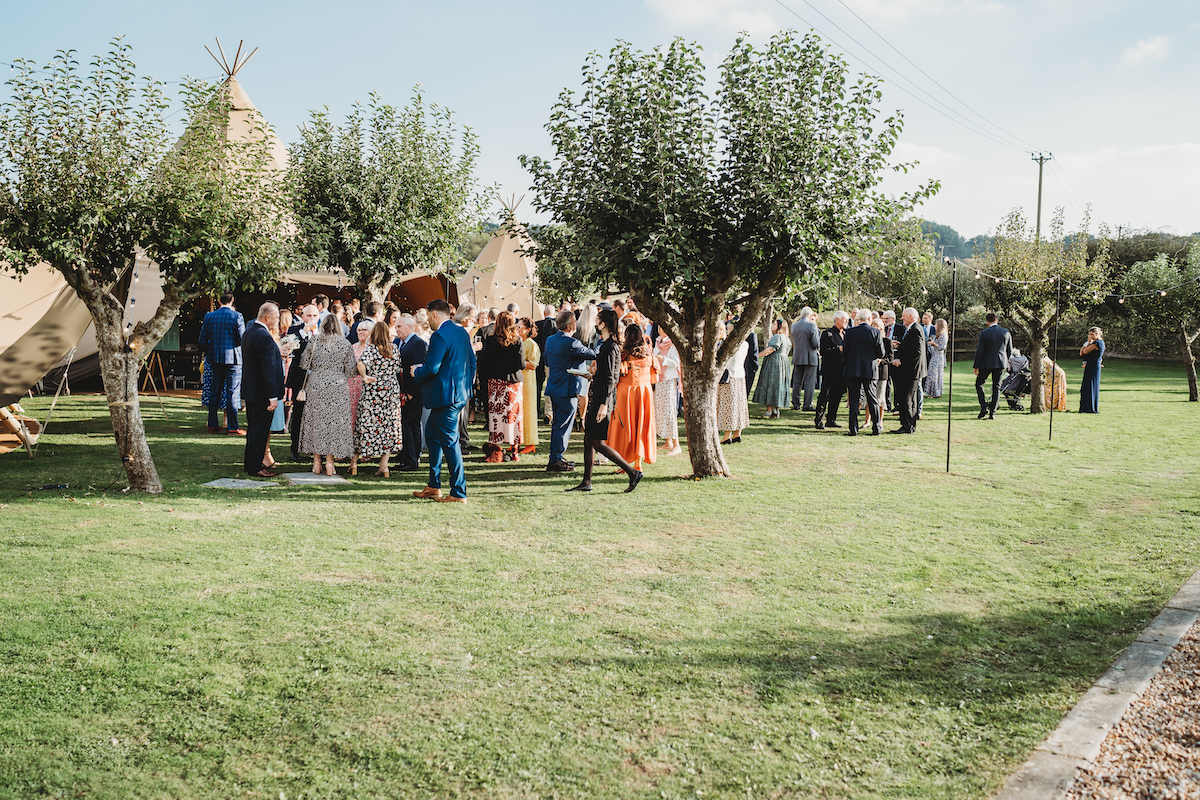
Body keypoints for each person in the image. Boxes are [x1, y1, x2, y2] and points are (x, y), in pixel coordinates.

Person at [566, 308, 643, 493]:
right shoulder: (608, 344)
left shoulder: (610, 346)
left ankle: (632, 472)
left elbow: (611, 379)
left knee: (597, 442)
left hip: (603, 398)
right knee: (588, 440)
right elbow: (606, 374)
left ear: (604, 324)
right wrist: (592, 376)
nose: (595, 323)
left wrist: (603, 405)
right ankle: (586, 482)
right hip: (600, 394)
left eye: (598, 320)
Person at [412, 298, 474, 502]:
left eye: (428, 316)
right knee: (432, 436)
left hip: (446, 397)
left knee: (450, 442)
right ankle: (433, 485)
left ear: (434, 314)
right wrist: (465, 385)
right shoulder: (461, 332)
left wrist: (417, 371)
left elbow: (432, 367)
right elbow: (472, 362)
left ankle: (458, 491)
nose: (428, 320)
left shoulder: (439, 335)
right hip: (456, 394)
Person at [298, 313, 358, 476]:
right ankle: (330, 463)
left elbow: (303, 364)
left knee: (317, 422)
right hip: (338, 385)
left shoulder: (314, 341)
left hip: (316, 383)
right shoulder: (345, 344)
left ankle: (316, 462)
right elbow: (352, 371)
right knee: (334, 423)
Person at [543, 310, 597, 473]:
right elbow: (592, 353)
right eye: (575, 321)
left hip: (554, 386)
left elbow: (547, 359)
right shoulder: (571, 343)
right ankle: (556, 459)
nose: (577, 324)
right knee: (563, 425)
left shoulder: (550, 340)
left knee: (558, 425)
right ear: (570, 326)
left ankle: (556, 457)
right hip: (566, 389)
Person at [240, 302, 284, 477]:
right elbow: (268, 369)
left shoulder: (249, 332)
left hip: (252, 390)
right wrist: (273, 396)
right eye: (276, 317)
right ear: (268, 317)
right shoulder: (264, 336)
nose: (277, 320)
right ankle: (255, 466)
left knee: (254, 429)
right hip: (262, 392)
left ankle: (252, 462)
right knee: (260, 430)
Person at [354, 321, 402, 477]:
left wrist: (364, 376)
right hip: (390, 390)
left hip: (374, 389)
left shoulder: (371, 349)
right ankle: (384, 466)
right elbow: (398, 368)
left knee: (365, 424)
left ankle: (354, 463)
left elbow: (360, 363)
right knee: (388, 427)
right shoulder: (394, 348)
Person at [608, 322, 657, 472]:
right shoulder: (648, 354)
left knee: (626, 427)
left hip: (626, 393)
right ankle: (638, 463)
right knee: (641, 426)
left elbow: (617, 375)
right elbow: (654, 377)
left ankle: (625, 462)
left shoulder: (623, 355)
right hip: (644, 392)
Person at [479, 311, 526, 463]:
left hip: (496, 384)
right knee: (514, 417)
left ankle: (497, 449)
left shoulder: (491, 340)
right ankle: (515, 452)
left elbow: (483, 363)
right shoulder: (517, 340)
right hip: (512, 383)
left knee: (497, 418)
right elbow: (521, 364)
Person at [197, 292, 245, 435]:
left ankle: (212, 424)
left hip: (215, 358)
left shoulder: (209, 316)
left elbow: (202, 340)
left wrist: (211, 350)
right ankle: (233, 426)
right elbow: (243, 338)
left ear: (218, 301)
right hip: (233, 359)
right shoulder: (237, 316)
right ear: (232, 300)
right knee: (232, 393)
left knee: (214, 392)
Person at [284, 304, 320, 462]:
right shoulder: (295, 330)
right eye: (308, 316)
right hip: (300, 378)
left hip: (318, 379)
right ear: (303, 316)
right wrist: (303, 331)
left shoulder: (323, 331)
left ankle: (314, 449)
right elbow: (291, 348)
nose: (312, 319)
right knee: (298, 414)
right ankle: (295, 449)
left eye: (314, 316)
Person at [841, 309, 885, 436]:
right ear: (870, 319)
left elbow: (845, 352)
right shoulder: (876, 332)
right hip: (869, 369)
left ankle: (853, 428)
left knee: (854, 400)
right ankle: (876, 427)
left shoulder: (849, 332)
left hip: (853, 369)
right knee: (872, 398)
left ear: (859, 319)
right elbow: (881, 353)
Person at [395, 314, 427, 472]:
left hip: (414, 392)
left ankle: (412, 459)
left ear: (410, 327)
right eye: (396, 327)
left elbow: (418, 369)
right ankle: (407, 455)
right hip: (402, 391)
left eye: (400, 327)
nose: (397, 329)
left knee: (410, 424)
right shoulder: (397, 342)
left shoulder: (418, 343)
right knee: (407, 425)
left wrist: (411, 393)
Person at [889, 307, 928, 434]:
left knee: (907, 398)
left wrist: (900, 360)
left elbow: (917, 351)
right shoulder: (913, 329)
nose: (901, 318)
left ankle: (907, 426)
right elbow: (913, 347)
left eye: (904, 316)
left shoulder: (915, 329)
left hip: (911, 371)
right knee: (911, 399)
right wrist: (901, 346)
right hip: (912, 370)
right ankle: (910, 425)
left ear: (911, 316)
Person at [973, 312, 1013, 419]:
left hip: (986, 363)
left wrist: (976, 365)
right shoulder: (1006, 332)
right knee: (997, 387)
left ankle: (984, 407)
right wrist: (1006, 362)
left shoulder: (984, 333)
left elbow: (980, 351)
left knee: (979, 384)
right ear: (997, 320)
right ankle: (993, 413)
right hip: (1000, 363)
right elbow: (1009, 350)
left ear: (987, 321)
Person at [346, 319, 372, 475]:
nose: (361, 332)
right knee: (351, 419)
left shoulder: (372, 349)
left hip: (366, 387)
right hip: (351, 388)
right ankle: (349, 451)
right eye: (359, 330)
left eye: (364, 330)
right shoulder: (353, 347)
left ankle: (365, 451)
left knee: (365, 419)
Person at [716, 323, 750, 444]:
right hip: (740, 376)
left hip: (729, 376)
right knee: (739, 406)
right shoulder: (745, 344)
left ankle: (727, 435)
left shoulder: (729, 345)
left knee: (728, 407)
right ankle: (737, 433)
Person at [814, 311, 848, 429]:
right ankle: (819, 420)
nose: (846, 322)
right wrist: (837, 349)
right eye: (844, 319)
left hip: (842, 371)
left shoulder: (846, 334)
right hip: (830, 370)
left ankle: (831, 419)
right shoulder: (827, 333)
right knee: (825, 395)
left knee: (837, 396)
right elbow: (823, 351)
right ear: (837, 319)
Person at [752, 319, 791, 418]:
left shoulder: (777, 337)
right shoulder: (787, 338)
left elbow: (770, 349)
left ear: (779, 327)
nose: (772, 325)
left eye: (774, 324)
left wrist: (756, 355)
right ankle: (775, 410)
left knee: (772, 383)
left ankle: (769, 410)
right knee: (779, 385)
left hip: (775, 362)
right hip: (784, 363)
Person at [653, 332, 682, 456]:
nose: (660, 328)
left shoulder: (673, 344)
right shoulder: (658, 342)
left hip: (669, 379)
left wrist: (663, 359)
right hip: (658, 379)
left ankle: (676, 444)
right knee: (660, 410)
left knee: (670, 411)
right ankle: (667, 441)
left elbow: (676, 362)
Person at [518, 317, 541, 455]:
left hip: (528, 381)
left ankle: (530, 442)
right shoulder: (519, 342)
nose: (518, 329)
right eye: (518, 326)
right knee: (519, 411)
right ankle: (518, 440)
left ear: (528, 330)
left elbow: (533, 364)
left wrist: (517, 362)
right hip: (518, 380)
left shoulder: (532, 344)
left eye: (521, 327)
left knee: (528, 412)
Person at [790, 306, 820, 411]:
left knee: (797, 381)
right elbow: (816, 343)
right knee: (809, 382)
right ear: (810, 315)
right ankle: (807, 404)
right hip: (810, 356)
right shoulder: (812, 325)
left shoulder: (794, 326)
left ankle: (796, 403)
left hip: (798, 355)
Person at [534, 305, 557, 422]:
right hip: (551, 360)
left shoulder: (537, 325)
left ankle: (536, 410)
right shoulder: (556, 326)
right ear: (554, 313)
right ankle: (549, 411)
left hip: (538, 359)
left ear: (544, 313)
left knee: (537, 386)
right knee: (550, 385)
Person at [1079, 326, 1105, 413]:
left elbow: (1085, 351)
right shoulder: (1094, 343)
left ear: (1097, 334)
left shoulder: (1097, 343)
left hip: (1093, 366)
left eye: (1092, 334)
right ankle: (1085, 407)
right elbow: (1082, 353)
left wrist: (1086, 344)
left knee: (1091, 385)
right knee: (1087, 386)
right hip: (1091, 366)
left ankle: (1090, 407)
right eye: (1089, 335)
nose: (1090, 336)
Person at [925, 318, 948, 398]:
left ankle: (936, 393)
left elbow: (942, 347)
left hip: (938, 357)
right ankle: (932, 393)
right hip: (934, 355)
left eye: (936, 324)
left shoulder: (943, 335)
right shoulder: (938, 335)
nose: (935, 326)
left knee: (936, 375)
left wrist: (933, 343)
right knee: (932, 374)